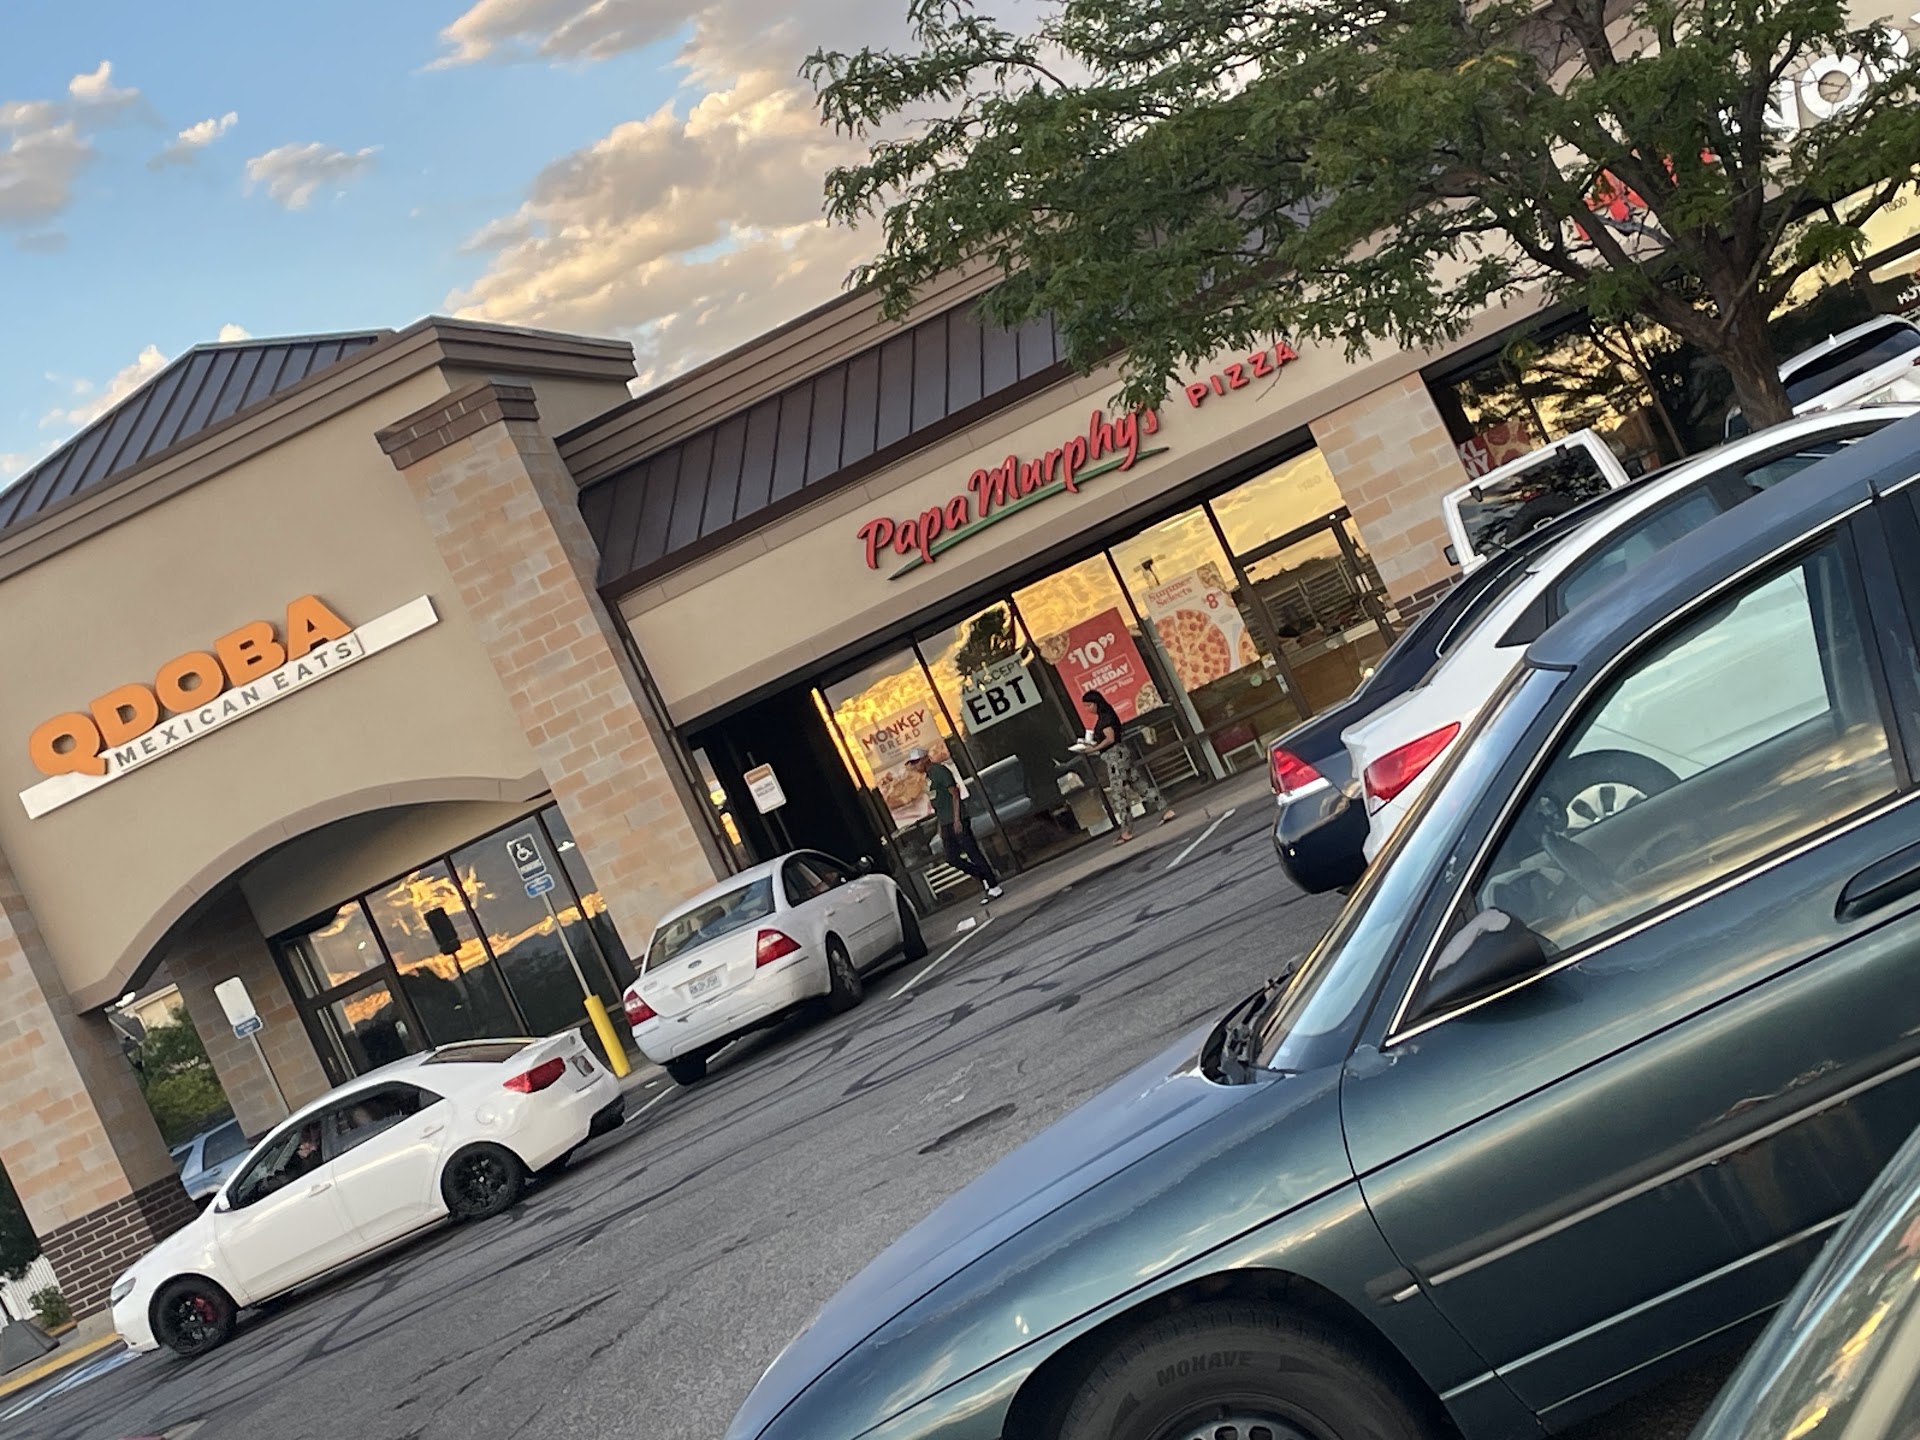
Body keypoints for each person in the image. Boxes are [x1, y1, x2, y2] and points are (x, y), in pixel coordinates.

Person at [906, 747, 1003, 901]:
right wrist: (940, 825)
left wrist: (957, 818)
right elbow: (938, 804)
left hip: (956, 819)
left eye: (917, 762)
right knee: (951, 857)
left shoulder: (940, 771)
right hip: (945, 821)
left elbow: (955, 794)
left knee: (972, 852)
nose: (915, 766)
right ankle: (983, 875)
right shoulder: (928, 777)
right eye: (913, 763)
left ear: (925, 759)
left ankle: (993, 886)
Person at [1083, 689, 1175, 844]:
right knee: (1138, 784)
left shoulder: (1105, 717)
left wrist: (1094, 748)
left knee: (1119, 793)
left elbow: (1110, 738)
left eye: (1089, 705)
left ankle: (1126, 830)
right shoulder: (1107, 714)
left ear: (1096, 703)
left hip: (1115, 756)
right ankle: (1165, 808)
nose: (1087, 709)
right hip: (1120, 754)